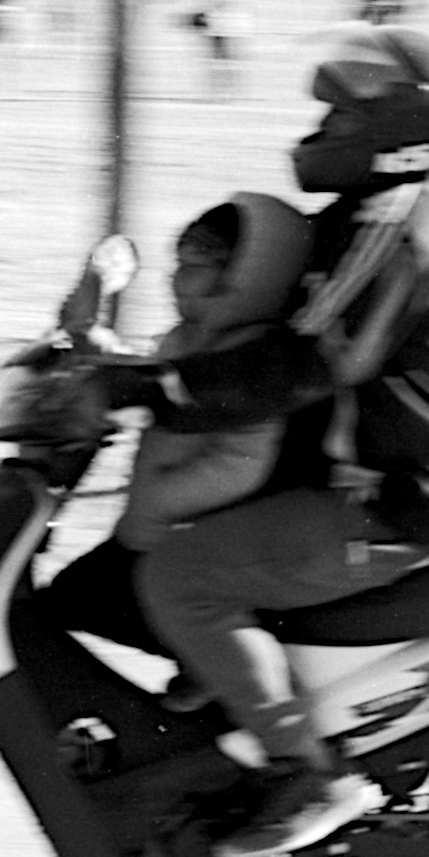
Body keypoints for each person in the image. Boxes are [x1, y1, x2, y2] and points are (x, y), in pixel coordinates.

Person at [94, 23, 429, 857]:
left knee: (181, 576)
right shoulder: (359, 218)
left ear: (393, 132)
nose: (321, 125)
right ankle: (221, 722)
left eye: (343, 113)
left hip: (382, 502)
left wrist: (162, 392)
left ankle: (307, 770)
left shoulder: (395, 228)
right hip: (337, 482)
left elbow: (308, 358)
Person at [40, 194, 312, 661]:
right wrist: (86, 326)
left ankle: (208, 680)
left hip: (180, 535)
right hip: (153, 528)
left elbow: (245, 460)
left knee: (81, 602)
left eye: (194, 266)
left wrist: (162, 501)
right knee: (66, 600)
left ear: (244, 279)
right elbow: (145, 373)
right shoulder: (191, 335)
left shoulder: (254, 358)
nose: (174, 279)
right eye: (176, 264)